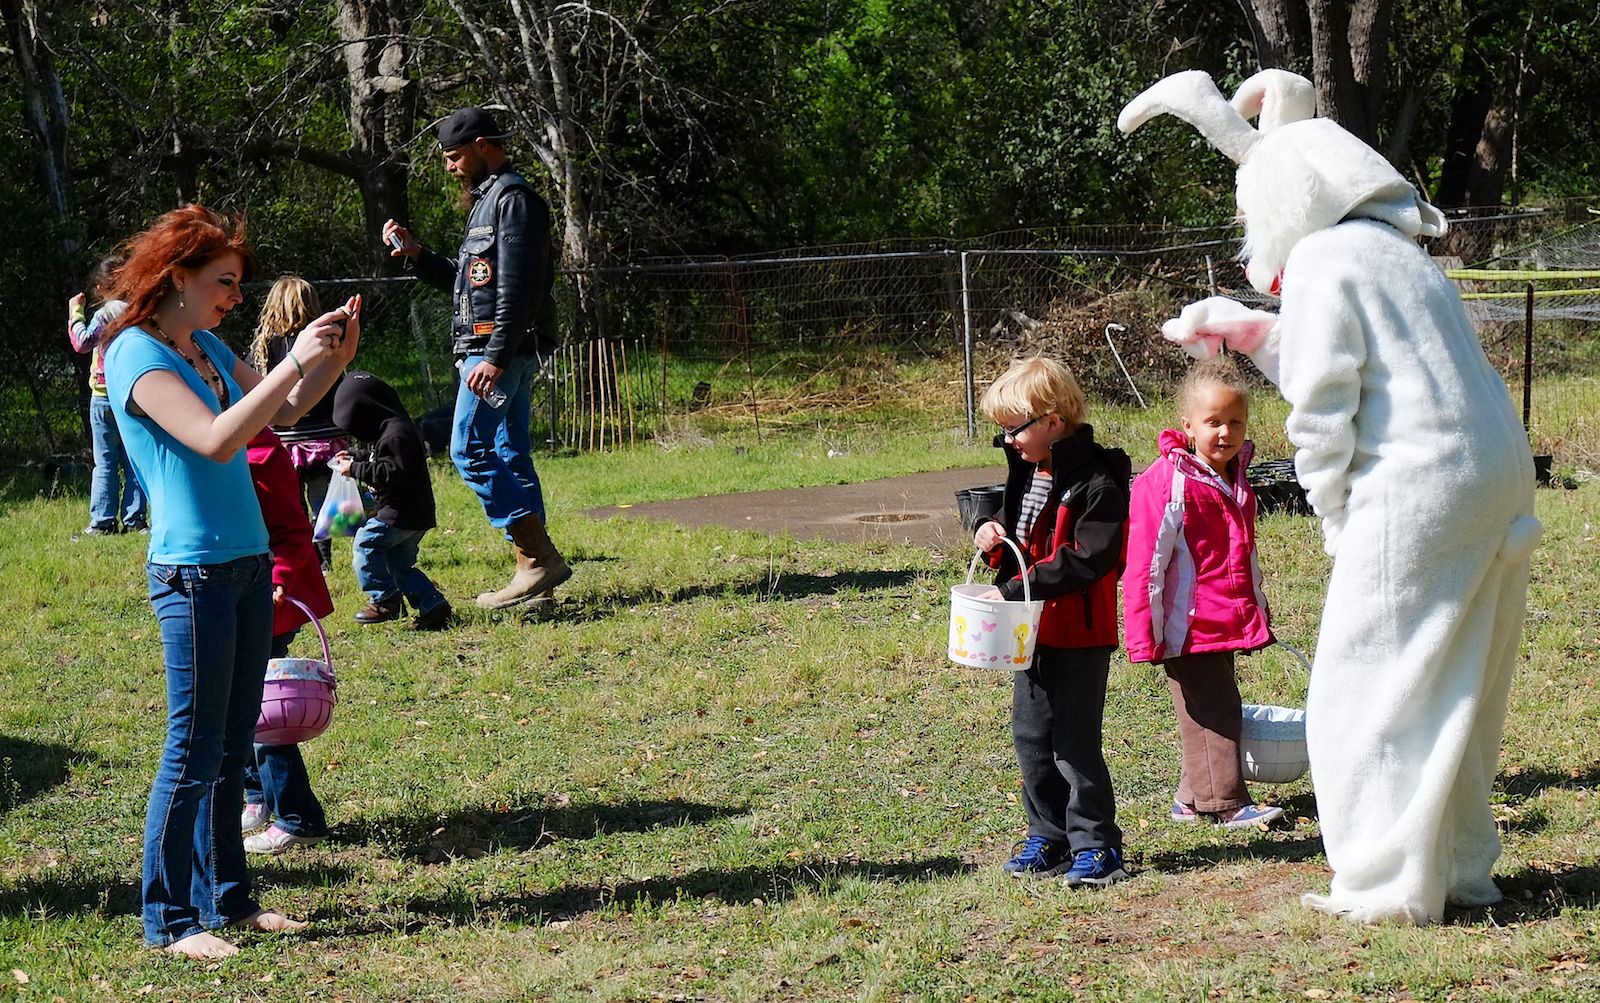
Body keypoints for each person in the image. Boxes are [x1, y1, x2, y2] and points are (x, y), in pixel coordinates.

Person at [1123, 68, 1541, 923]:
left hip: (1418, 482)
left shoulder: (1320, 258)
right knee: (1458, 675)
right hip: (1495, 476)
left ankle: (1386, 884)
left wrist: (1337, 517)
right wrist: (1254, 333)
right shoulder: (1396, 254)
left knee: (1362, 687)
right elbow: (1366, 360)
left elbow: (1322, 410)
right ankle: (1460, 867)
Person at [101, 204, 360, 959]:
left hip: (248, 565)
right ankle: (169, 919)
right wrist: (293, 360)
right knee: (192, 748)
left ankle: (230, 899)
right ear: (176, 276)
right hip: (193, 575)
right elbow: (216, 439)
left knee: (231, 746)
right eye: (224, 281)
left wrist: (332, 357)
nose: (234, 298)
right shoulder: (135, 353)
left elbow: (283, 411)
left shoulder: (204, 343)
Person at [381, 106, 570, 611]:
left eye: (454, 156)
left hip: (497, 354)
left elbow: (521, 290)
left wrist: (494, 357)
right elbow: (472, 283)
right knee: (509, 455)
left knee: (468, 449)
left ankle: (537, 559)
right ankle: (540, 582)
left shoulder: (514, 200)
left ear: (483, 146)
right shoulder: (489, 200)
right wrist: (418, 256)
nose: (449, 166)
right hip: (497, 351)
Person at [971, 356, 1132, 887]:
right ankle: (1050, 835)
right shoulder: (1030, 472)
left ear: (1053, 421)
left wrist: (1017, 587)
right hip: (1029, 631)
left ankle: (1097, 844)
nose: (1007, 440)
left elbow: (1088, 557)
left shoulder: (1098, 481)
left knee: (1074, 742)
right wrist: (990, 532)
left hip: (1079, 635)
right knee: (1032, 736)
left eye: (1013, 429)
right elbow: (1017, 531)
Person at [1122, 356, 1284, 830]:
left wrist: (1256, 608)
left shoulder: (1233, 477)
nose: (1225, 433)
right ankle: (1225, 802)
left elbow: (1243, 555)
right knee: (1216, 708)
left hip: (1221, 619)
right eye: (1213, 422)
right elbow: (1145, 564)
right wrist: (1145, 633)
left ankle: (1191, 798)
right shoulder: (1167, 482)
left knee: (1204, 708)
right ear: (1188, 424)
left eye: (1236, 422)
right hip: (1185, 625)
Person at [240, 427, 335, 854]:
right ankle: (258, 795)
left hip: (268, 598)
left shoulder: (259, 456)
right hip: (240, 591)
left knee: (264, 710)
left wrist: (277, 579)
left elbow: (290, 530)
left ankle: (299, 818)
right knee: (237, 700)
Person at [330, 371, 454, 630]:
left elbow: (390, 471)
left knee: (365, 545)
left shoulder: (396, 435)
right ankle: (434, 607)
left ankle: (385, 599)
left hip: (400, 513)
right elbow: (379, 458)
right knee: (399, 566)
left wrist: (354, 469)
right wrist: (355, 456)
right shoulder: (390, 429)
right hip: (413, 514)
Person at [250, 276, 347, 571]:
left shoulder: (265, 345)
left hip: (283, 439)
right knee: (322, 498)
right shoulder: (322, 341)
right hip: (322, 436)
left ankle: (302, 555)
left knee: (292, 502)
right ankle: (323, 556)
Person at [67, 256, 147, 535]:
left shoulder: (105, 313)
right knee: (134, 461)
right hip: (133, 395)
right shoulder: (140, 311)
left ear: (100, 288)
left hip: (102, 395)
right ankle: (135, 519)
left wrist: (75, 313)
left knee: (105, 462)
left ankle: (102, 522)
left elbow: (83, 343)